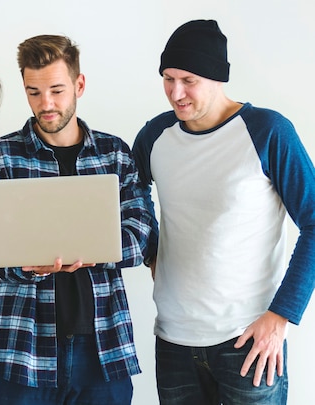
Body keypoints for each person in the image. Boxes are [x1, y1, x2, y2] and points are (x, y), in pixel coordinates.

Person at [132, 19, 315, 405]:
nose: (175, 92)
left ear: (218, 78)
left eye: (188, 79)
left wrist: (281, 315)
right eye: (167, 78)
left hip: (249, 343)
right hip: (173, 341)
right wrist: (152, 249)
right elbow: (130, 197)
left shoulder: (267, 131)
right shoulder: (155, 136)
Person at [0, 34, 153, 405]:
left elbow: (140, 239)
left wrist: (88, 251)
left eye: (56, 90)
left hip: (103, 351)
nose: (46, 104)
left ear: (79, 84)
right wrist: (30, 265)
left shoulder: (114, 154)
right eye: (34, 92)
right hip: (22, 351)